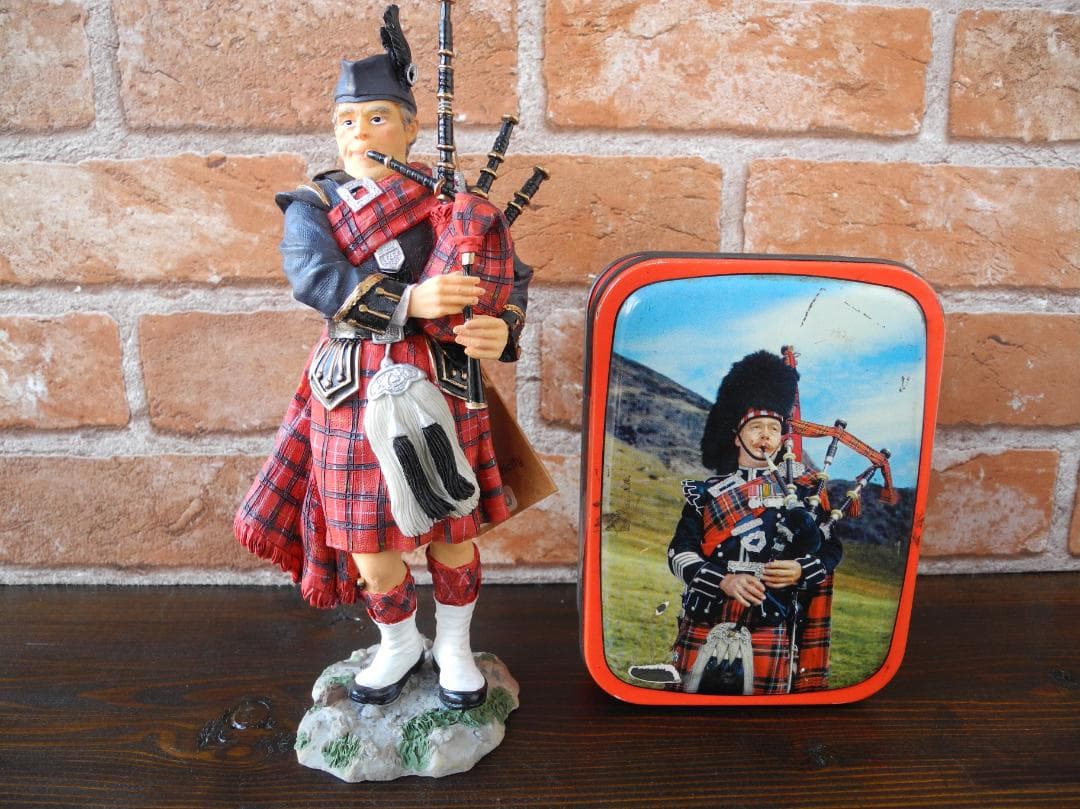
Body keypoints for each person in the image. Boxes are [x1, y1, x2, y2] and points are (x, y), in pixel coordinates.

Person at [234, 6, 531, 711]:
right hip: (352, 388)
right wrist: (413, 300)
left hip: (441, 379)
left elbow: (508, 275)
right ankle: (398, 643)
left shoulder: (450, 199)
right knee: (367, 539)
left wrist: (501, 326)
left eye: (376, 118)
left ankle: (454, 646)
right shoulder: (313, 204)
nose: (360, 133)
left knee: (453, 527)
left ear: (410, 126)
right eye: (347, 121)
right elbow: (315, 277)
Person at [666, 350, 841, 694]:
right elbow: (678, 553)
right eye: (756, 427)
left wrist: (801, 570)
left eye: (773, 429)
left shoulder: (804, 492)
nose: (765, 436)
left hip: (771, 618)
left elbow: (831, 549)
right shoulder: (706, 493)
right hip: (707, 613)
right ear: (737, 437)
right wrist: (723, 580)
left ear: (781, 439)